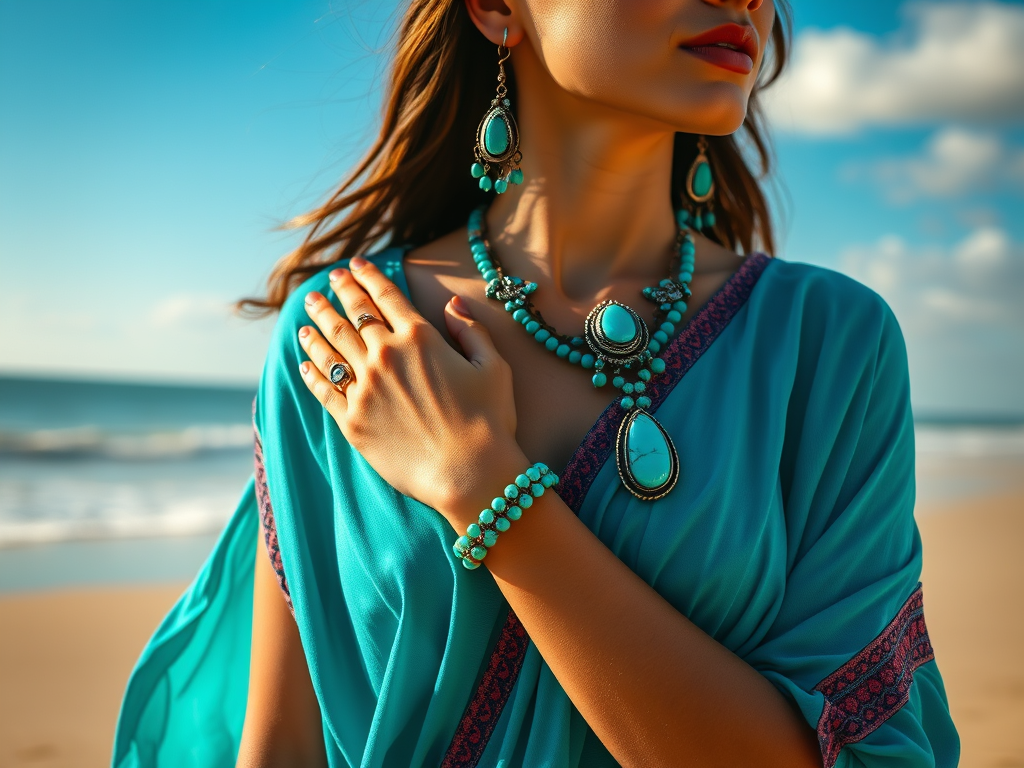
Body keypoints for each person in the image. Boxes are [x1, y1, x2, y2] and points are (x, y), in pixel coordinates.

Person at [112, 1, 960, 766]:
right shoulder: (347, 336)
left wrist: (480, 482)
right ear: (492, 7)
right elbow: (285, 746)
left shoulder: (829, 343)